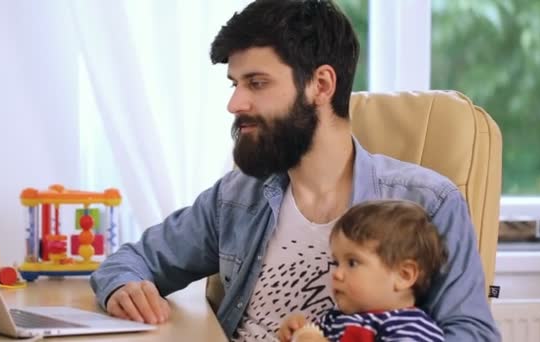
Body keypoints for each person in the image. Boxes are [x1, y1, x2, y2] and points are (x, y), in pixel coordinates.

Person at [90, 0, 500, 341]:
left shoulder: (427, 202)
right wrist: (123, 288)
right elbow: (131, 260)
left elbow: (473, 334)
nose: (235, 103)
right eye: (234, 84)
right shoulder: (237, 196)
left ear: (321, 85)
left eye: (256, 83)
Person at [278, 200, 448, 342]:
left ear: (404, 275)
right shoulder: (332, 319)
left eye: (352, 263)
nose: (336, 273)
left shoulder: (412, 329)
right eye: (336, 263)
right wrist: (296, 333)